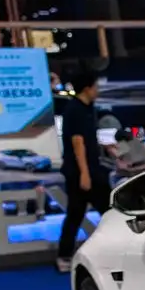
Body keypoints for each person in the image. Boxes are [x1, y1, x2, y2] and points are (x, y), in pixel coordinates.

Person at [56, 72, 107, 273]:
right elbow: (78, 143)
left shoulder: (88, 109)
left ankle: (65, 255)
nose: (98, 90)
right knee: (81, 213)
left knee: (80, 214)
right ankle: (64, 256)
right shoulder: (74, 110)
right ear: (87, 88)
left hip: (91, 169)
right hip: (80, 172)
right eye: (96, 86)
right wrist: (84, 174)